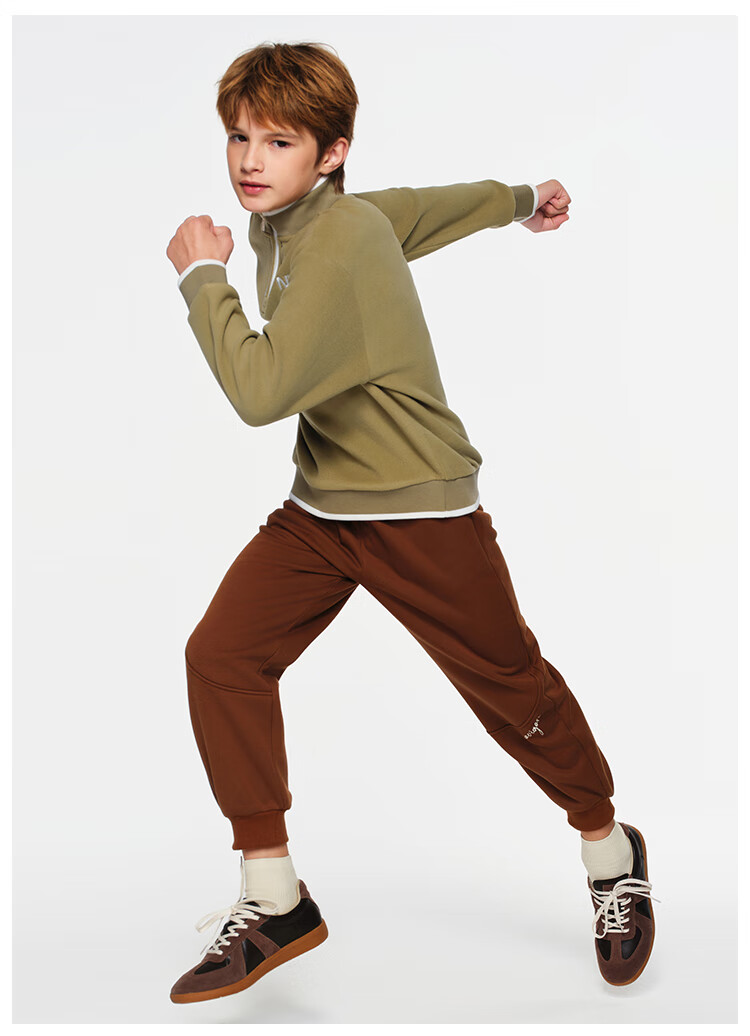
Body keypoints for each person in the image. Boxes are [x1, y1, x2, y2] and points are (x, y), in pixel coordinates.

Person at [165, 41, 658, 1005]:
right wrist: (520, 198)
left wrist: (202, 279)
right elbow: (427, 209)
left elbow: (261, 393)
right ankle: (275, 898)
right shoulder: (303, 219)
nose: (250, 161)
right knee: (221, 656)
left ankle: (611, 851)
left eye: (279, 142)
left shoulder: (338, 239)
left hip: (421, 511)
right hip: (320, 512)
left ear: (332, 153)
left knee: (514, 693)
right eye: (239, 137)